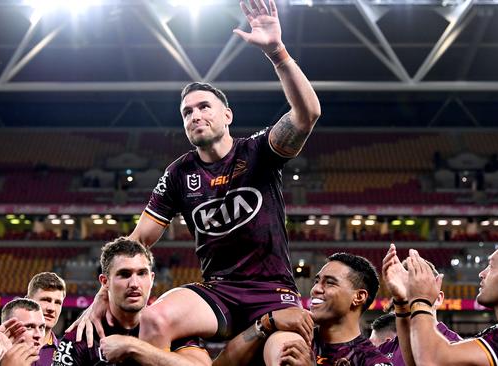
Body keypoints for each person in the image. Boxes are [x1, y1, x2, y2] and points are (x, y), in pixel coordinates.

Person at [71, 0, 321, 363]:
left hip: (272, 291)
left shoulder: (256, 152)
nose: (195, 115)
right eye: (187, 111)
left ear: (227, 114)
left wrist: (276, 52)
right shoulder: (178, 173)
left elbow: (307, 114)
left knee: (286, 356)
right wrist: (101, 295)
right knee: (155, 318)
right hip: (217, 292)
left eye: (204, 106)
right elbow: (138, 241)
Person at [54, 237, 211, 366]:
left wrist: (131, 346)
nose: (134, 284)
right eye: (124, 274)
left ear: (152, 279)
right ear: (104, 282)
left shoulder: (170, 324)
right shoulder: (81, 337)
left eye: (142, 273)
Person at [214, 253, 392, 366]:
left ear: (358, 297)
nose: (316, 289)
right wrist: (265, 322)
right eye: (316, 281)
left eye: (329, 283)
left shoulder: (372, 360)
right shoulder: (288, 337)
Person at [403, 229, 498, 365]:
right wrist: (402, 305)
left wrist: (421, 300)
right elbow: (418, 360)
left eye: (491, 266)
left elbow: (432, 361)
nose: (482, 273)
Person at [380, 246, 461, 366]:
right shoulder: (383, 350)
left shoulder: (457, 346)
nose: (411, 300)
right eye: (407, 292)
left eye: (418, 292)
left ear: (438, 299)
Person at [26, 272, 66, 365]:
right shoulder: (5, 346)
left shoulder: (67, 354)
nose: (51, 308)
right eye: (46, 300)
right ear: (28, 301)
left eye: (57, 302)